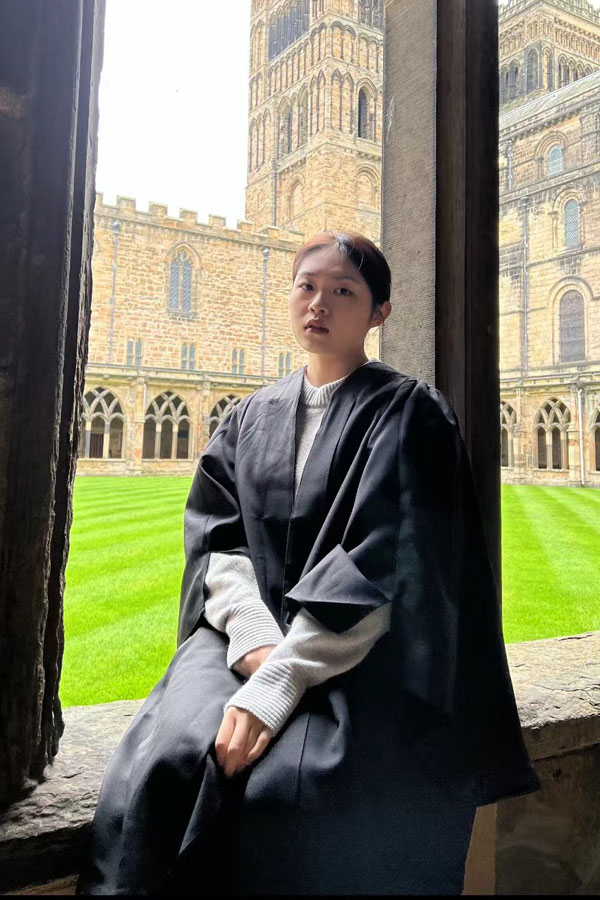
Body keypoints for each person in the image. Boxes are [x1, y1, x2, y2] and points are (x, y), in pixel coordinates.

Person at [77, 231, 542, 896]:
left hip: (361, 652)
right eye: (307, 286)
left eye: (343, 291)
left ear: (378, 313)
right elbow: (218, 539)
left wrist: (281, 679)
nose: (319, 303)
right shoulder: (248, 416)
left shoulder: (412, 415)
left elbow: (387, 565)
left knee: (300, 791)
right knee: (169, 755)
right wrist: (254, 640)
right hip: (243, 637)